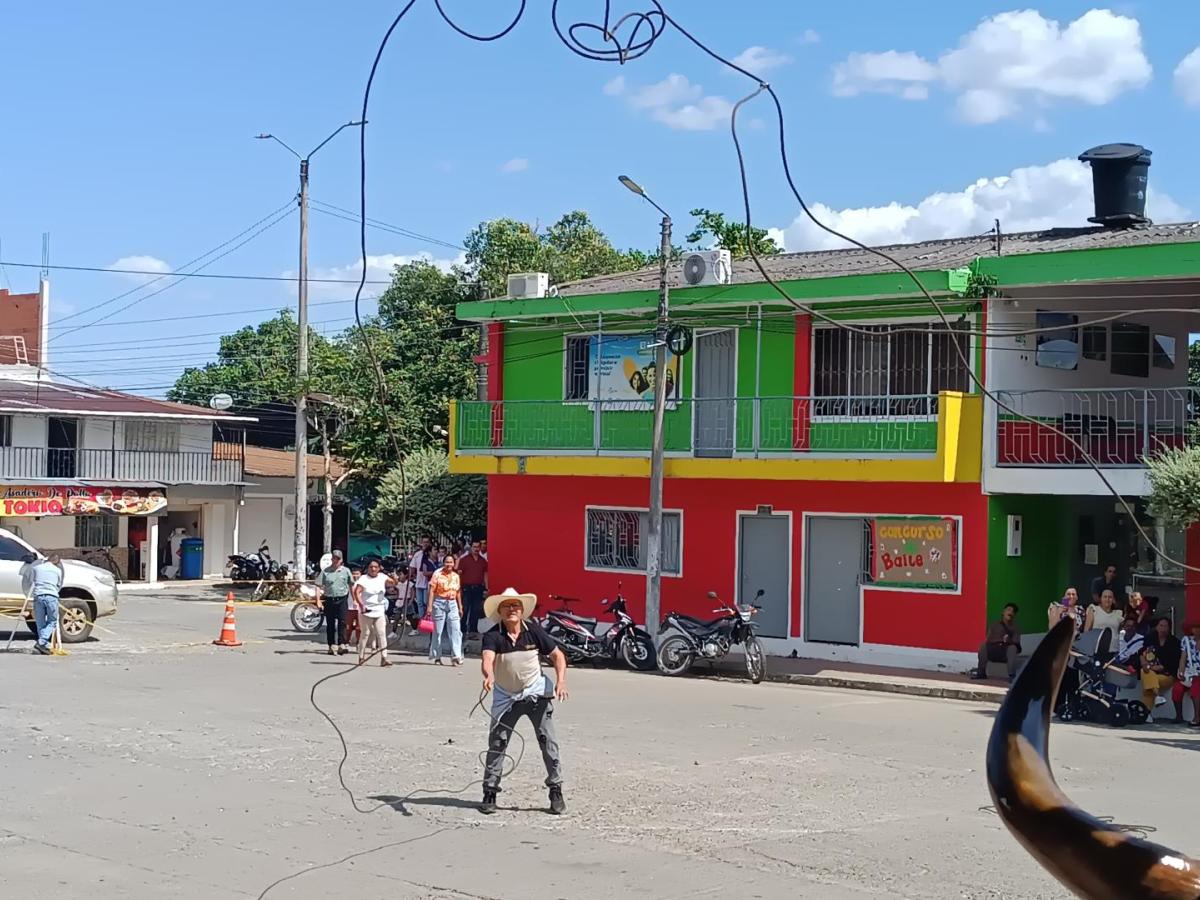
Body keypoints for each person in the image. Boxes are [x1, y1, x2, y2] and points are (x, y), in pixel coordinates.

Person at [479, 587, 568, 816]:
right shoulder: (493, 635)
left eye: (515, 606)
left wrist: (561, 682)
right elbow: (487, 658)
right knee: (498, 743)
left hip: (536, 694)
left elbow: (557, 655)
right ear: (500, 610)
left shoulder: (534, 631)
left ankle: (555, 790)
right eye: (507, 606)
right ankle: (490, 792)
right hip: (506, 696)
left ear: (521, 610)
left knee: (548, 743)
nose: (511, 609)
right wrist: (488, 675)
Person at [353, 559, 395, 667]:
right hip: (366, 611)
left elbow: (393, 583)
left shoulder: (382, 577)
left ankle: (384, 658)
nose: (373, 569)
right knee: (365, 634)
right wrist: (362, 605)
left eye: (375, 567)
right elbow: (356, 592)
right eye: (371, 567)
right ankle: (361, 657)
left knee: (381, 634)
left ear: (379, 568)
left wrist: (394, 576)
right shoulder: (363, 579)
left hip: (379, 610)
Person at [20, 553, 63, 655]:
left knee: (40, 622)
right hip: (51, 596)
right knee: (52, 620)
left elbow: (32, 580)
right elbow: (58, 584)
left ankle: (42, 645)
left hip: (38, 596)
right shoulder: (58, 571)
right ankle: (41, 642)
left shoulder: (37, 568)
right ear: (57, 562)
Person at [1140, 617, 1181, 722]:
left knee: (1147, 678)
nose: (1163, 628)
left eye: (1165, 626)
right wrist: (1144, 663)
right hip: (1151, 672)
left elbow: (1174, 663)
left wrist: (1157, 667)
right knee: (1145, 673)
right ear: (1157, 627)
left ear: (1169, 628)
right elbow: (1141, 652)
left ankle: (1146, 713)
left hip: (1167, 675)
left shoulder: (1174, 642)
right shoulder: (1150, 638)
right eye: (1161, 625)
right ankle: (1156, 697)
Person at [426, 554, 464, 666]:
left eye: (451, 562)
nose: (449, 564)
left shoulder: (456, 576)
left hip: (452, 604)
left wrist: (460, 606)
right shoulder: (437, 574)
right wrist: (429, 605)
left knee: (455, 630)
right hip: (439, 603)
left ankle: (456, 656)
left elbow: (458, 592)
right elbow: (432, 590)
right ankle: (437, 656)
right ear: (443, 563)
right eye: (447, 562)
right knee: (438, 631)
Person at [315, 550, 353, 656]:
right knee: (330, 624)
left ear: (341, 560)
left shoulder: (346, 571)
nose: (335, 560)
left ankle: (342, 644)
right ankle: (331, 645)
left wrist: (354, 600)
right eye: (334, 558)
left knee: (343, 622)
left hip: (342, 600)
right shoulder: (326, 571)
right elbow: (318, 586)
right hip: (330, 600)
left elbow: (351, 585)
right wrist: (318, 600)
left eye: (338, 559)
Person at [974, 603, 1022, 681]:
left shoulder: (1015, 628)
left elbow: (1017, 643)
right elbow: (988, 640)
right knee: (983, 646)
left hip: (1005, 651)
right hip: (993, 649)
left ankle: (1012, 675)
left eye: (1013, 612)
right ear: (1003, 612)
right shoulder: (994, 625)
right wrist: (997, 640)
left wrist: (1009, 641)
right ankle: (981, 673)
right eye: (1009, 610)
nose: (1010, 613)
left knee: (1013, 648)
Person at [1171, 621, 1200, 726]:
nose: (1197, 630)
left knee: (1196, 688)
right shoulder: (1186, 640)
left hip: (1198, 674)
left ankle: (1197, 718)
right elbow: (1183, 658)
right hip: (1189, 673)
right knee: (1177, 689)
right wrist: (1181, 672)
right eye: (1194, 628)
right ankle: (1179, 716)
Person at [457, 540, 489, 638]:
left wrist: (487, 588)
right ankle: (461, 630)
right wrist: (459, 588)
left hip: (478, 588)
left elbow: (485, 575)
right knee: (465, 609)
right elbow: (459, 574)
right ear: (471, 548)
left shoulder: (483, 561)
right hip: (466, 588)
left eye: (478, 547)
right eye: (474, 547)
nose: (476, 549)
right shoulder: (464, 560)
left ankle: (473, 631)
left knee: (475, 610)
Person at [409, 536, 437, 612]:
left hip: (429, 583)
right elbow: (412, 567)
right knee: (420, 603)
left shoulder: (433, 554)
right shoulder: (417, 554)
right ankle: (421, 621)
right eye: (424, 542)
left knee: (426, 602)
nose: (425, 544)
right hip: (419, 582)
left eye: (427, 542)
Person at [344, 564, 364, 648]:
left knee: (359, 628)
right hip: (350, 607)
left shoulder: (364, 583)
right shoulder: (348, 584)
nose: (355, 576)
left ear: (360, 574)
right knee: (348, 627)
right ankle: (346, 642)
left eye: (357, 574)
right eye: (354, 574)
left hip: (360, 609)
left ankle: (358, 643)